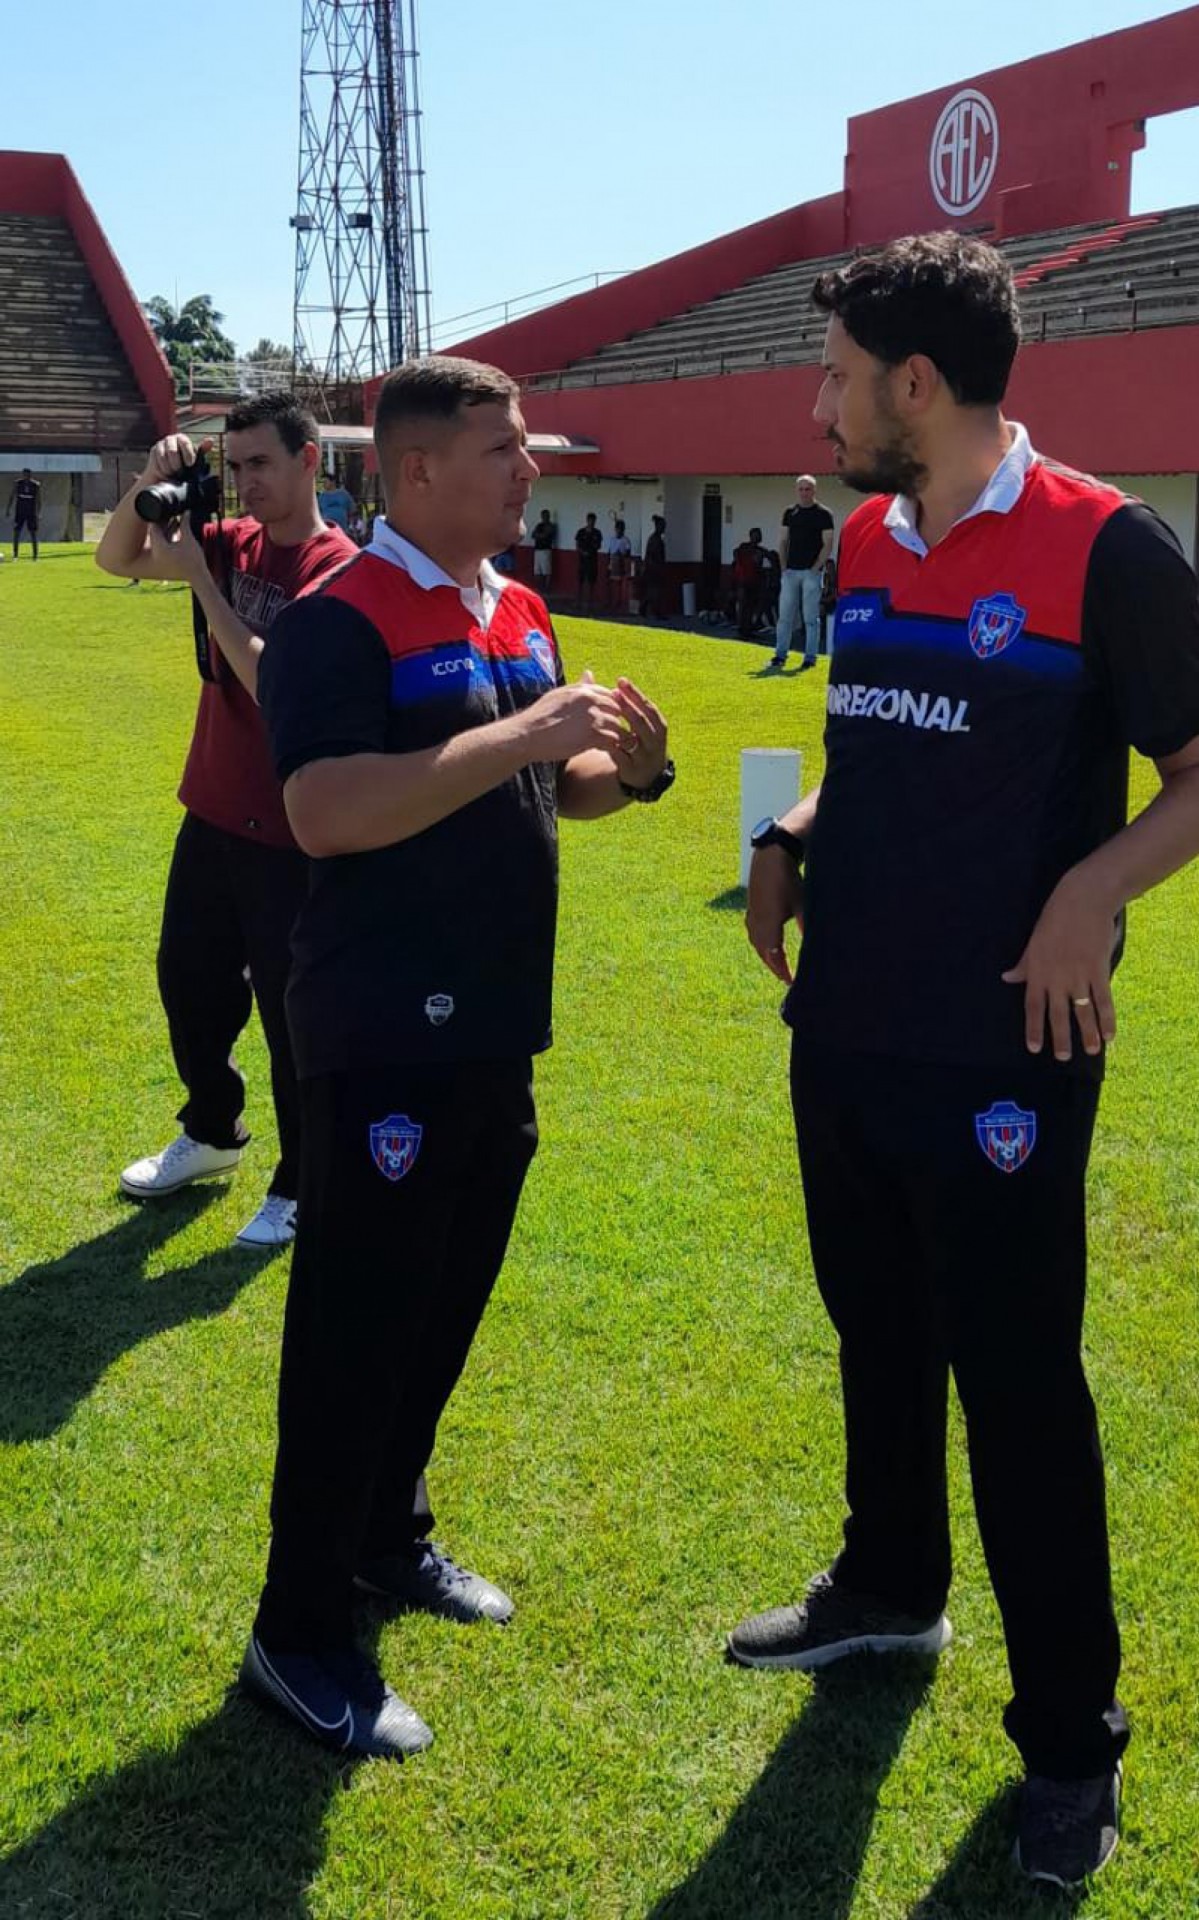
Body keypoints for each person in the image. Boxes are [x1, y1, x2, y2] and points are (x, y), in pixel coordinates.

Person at [735, 232, 1199, 1890]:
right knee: (873, 1329)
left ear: (910, 386)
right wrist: (791, 828)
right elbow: (873, 748)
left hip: (1000, 1051)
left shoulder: (1104, 549)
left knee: (1013, 1388)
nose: (817, 404)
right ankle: (886, 1588)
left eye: (835, 378)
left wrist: (1091, 885)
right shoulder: (864, 537)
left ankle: (1068, 1748)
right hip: (843, 1023)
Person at [244, 353, 674, 1760]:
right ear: (413, 471)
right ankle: (296, 1631)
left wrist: (629, 771)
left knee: (439, 1311)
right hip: (382, 1030)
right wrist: (522, 737)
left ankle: (387, 1536)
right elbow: (320, 809)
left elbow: (555, 786)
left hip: (495, 1026)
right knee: (355, 1331)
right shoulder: (338, 616)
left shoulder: (521, 606)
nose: (529, 470)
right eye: (501, 451)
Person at [95, 395, 356, 1246]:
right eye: (233, 466)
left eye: (260, 465)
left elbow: (271, 681)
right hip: (209, 812)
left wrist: (201, 579)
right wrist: (150, 478)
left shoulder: (338, 567)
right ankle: (212, 1131)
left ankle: (302, 1178)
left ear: (310, 460)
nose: (244, 484)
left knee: (291, 1017)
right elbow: (114, 555)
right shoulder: (231, 538)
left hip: (289, 833)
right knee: (189, 983)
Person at [772, 474, 834, 668]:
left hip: (811, 573)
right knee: (785, 617)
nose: (804, 493)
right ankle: (780, 655)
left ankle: (810, 657)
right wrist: (783, 567)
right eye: (801, 489)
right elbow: (782, 541)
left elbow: (828, 544)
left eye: (808, 489)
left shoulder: (824, 514)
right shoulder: (789, 513)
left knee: (810, 618)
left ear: (814, 491)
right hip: (790, 571)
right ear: (796, 491)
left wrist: (816, 568)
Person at [732, 527, 768, 637]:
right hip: (744, 581)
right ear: (752, 536)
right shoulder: (745, 548)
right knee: (744, 606)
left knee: (751, 606)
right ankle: (742, 630)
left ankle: (748, 629)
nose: (759, 537)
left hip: (754, 582)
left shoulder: (760, 550)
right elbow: (736, 555)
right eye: (757, 535)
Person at [8, 468, 41, 560]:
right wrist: (9, 509)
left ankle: (35, 555)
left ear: (30, 475)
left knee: (33, 533)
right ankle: (15, 555)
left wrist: (39, 513)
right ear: (22, 475)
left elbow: (39, 500)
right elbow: (12, 496)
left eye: (28, 475)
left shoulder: (35, 485)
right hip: (20, 511)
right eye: (24, 475)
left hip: (31, 512)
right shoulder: (18, 484)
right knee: (16, 532)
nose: (26, 477)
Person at [641, 514, 668, 618]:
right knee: (655, 592)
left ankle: (645, 608)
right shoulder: (655, 540)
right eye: (663, 526)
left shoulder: (655, 539)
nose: (664, 528)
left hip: (654, 569)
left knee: (653, 592)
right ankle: (655, 612)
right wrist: (658, 568)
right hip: (654, 569)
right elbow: (652, 556)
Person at [575, 510, 603, 609]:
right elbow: (577, 545)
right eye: (590, 520)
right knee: (580, 581)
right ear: (587, 520)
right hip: (582, 559)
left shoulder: (597, 533)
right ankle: (579, 601)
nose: (591, 522)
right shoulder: (581, 532)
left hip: (592, 559)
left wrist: (590, 551)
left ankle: (590, 602)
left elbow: (599, 545)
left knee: (591, 581)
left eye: (593, 521)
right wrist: (583, 552)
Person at [606, 517, 632, 612]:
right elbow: (609, 552)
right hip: (612, 563)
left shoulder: (626, 541)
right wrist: (608, 564)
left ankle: (620, 603)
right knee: (612, 584)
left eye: (621, 529)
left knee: (621, 585)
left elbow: (628, 553)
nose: (619, 531)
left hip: (621, 564)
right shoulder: (612, 539)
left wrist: (622, 556)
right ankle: (611, 602)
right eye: (618, 528)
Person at [530, 506, 556, 591]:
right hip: (537, 549)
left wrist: (539, 535)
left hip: (546, 550)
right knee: (537, 571)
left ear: (549, 516)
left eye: (546, 515)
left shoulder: (551, 525)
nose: (544, 517)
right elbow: (533, 535)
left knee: (546, 571)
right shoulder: (539, 525)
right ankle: (539, 587)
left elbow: (545, 535)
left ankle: (546, 588)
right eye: (543, 516)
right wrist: (540, 535)